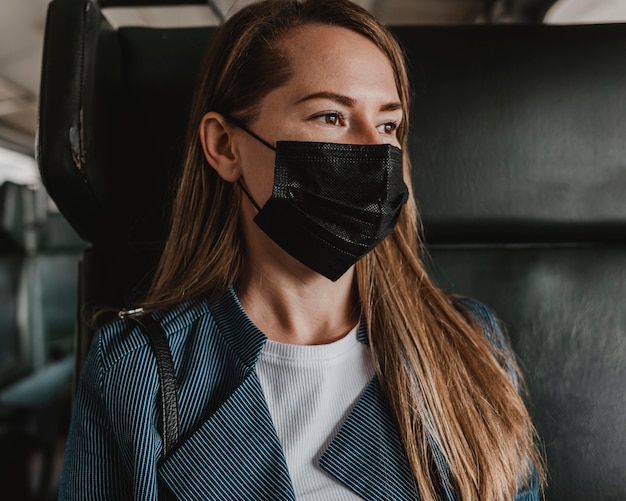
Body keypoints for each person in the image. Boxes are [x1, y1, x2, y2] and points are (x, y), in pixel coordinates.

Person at [59, 0, 544, 499]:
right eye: (331, 117)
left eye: (388, 125)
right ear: (226, 147)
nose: (376, 154)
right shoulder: (137, 370)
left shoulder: (471, 344)